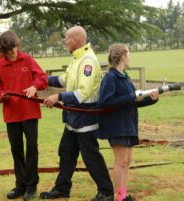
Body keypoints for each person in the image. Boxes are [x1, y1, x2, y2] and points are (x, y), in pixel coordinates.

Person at [41, 25, 114, 201]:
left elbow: (84, 92)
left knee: (90, 156)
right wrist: (42, 79)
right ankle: (62, 189)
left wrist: (58, 96)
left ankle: (106, 192)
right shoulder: (76, 59)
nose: (65, 42)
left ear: (75, 40)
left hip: (85, 117)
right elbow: (64, 79)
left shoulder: (87, 61)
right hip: (73, 118)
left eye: (67, 39)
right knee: (66, 152)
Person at [96, 43, 159, 201]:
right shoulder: (110, 77)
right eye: (128, 54)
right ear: (122, 56)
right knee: (121, 161)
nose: (130, 57)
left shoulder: (125, 77)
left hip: (128, 125)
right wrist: (131, 97)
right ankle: (120, 197)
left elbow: (133, 101)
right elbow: (105, 101)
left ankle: (124, 195)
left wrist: (152, 100)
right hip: (117, 126)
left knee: (127, 161)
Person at [0, 30, 48, 201]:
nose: (14, 52)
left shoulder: (28, 59)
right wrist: (2, 95)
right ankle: (20, 185)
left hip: (30, 112)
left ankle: (31, 186)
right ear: (4, 51)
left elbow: (42, 77)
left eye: (15, 47)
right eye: (10, 50)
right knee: (16, 150)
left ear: (17, 45)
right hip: (11, 114)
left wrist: (34, 86)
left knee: (32, 148)